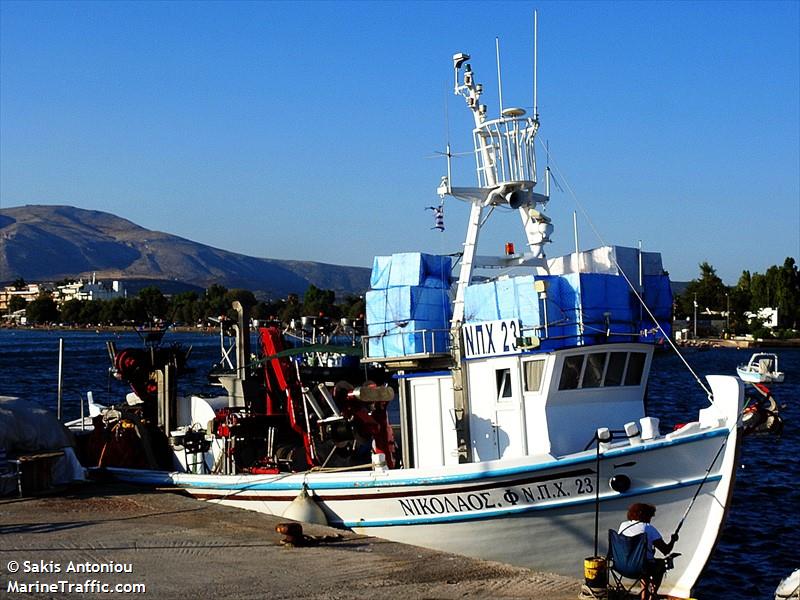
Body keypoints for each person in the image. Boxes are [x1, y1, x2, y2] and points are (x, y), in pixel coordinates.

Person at [618, 502, 678, 600]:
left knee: (644, 563)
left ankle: (644, 596)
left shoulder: (623, 525)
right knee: (661, 564)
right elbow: (666, 550)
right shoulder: (648, 528)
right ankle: (652, 595)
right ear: (644, 515)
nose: (650, 519)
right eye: (650, 516)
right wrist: (673, 540)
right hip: (641, 568)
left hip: (622, 566)